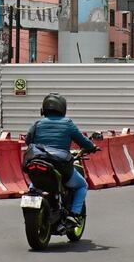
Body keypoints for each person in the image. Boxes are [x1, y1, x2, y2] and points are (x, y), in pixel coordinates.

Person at [25, 93, 95, 227]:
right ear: (62, 108)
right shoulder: (67, 123)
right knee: (82, 185)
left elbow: (28, 140)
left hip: (37, 160)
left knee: (34, 185)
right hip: (60, 164)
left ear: (43, 109)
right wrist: (92, 147)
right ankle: (73, 214)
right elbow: (82, 141)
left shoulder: (37, 124)